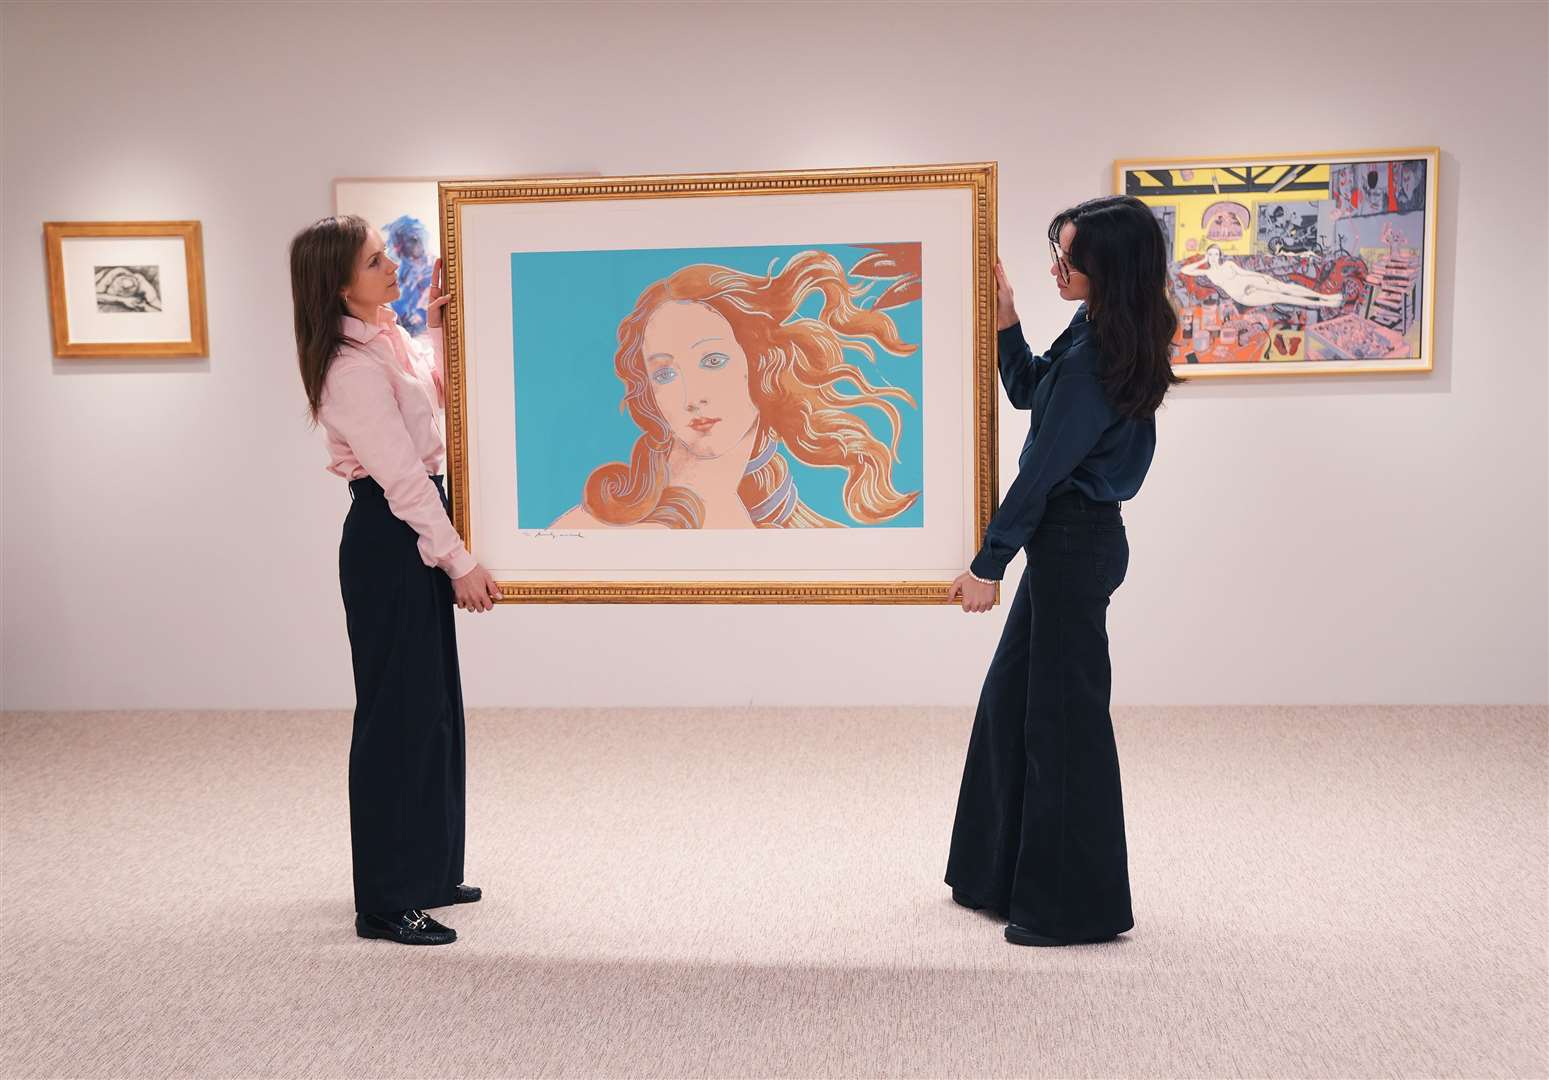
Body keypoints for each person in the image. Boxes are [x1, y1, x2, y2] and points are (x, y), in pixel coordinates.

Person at [946, 196, 1179, 947]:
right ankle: (996, 878)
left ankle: (1073, 909)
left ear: (1106, 267)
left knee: (1063, 726)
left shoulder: (1098, 356)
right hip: (1067, 544)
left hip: (1073, 546)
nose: (1056, 266)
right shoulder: (1096, 331)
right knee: (1012, 701)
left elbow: (1041, 472)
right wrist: (1006, 318)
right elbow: (1025, 392)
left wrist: (987, 563)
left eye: (1068, 257)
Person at [290, 214, 502, 946]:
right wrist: (460, 561)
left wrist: (437, 330)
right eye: (376, 261)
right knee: (396, 720)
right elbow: (405, 479)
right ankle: (384, 901)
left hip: (413, 525)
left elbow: (437, 406)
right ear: (339, 282)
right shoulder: (349, 368)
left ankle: (431, 872)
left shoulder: (387, 338)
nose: (392, 268)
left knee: (433, 708)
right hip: (391, 536)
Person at [549, 249, 920, 530]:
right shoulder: (603, 526)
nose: (691, 397)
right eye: (664, 375)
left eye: (712, 361)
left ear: (759, 363)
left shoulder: (760, 515)